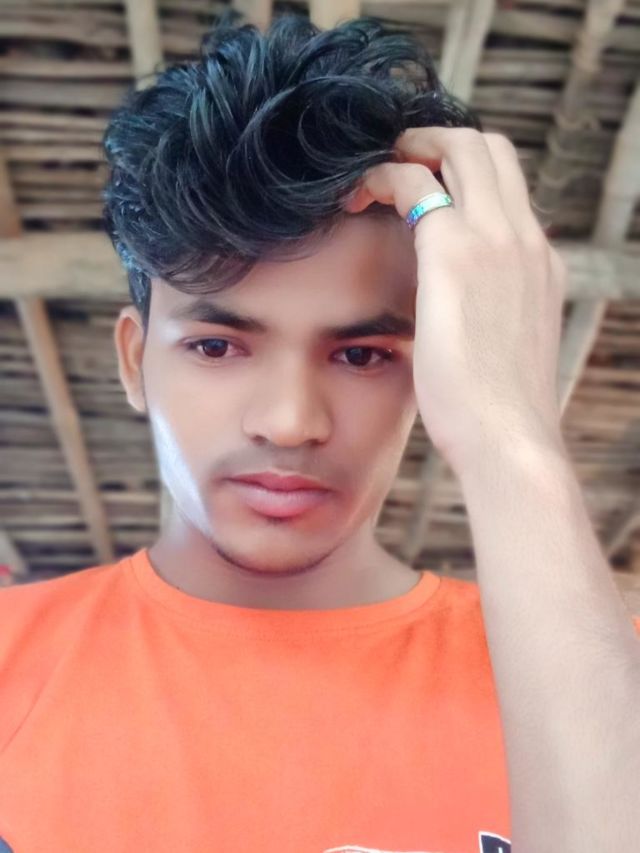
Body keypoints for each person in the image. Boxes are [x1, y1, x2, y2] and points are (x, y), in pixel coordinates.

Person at [0, 12, 638, 853]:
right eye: (217, 346)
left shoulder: (604, 681)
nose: (290, 421)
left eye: (363, 354)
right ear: (133, 360)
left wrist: (511, 435)